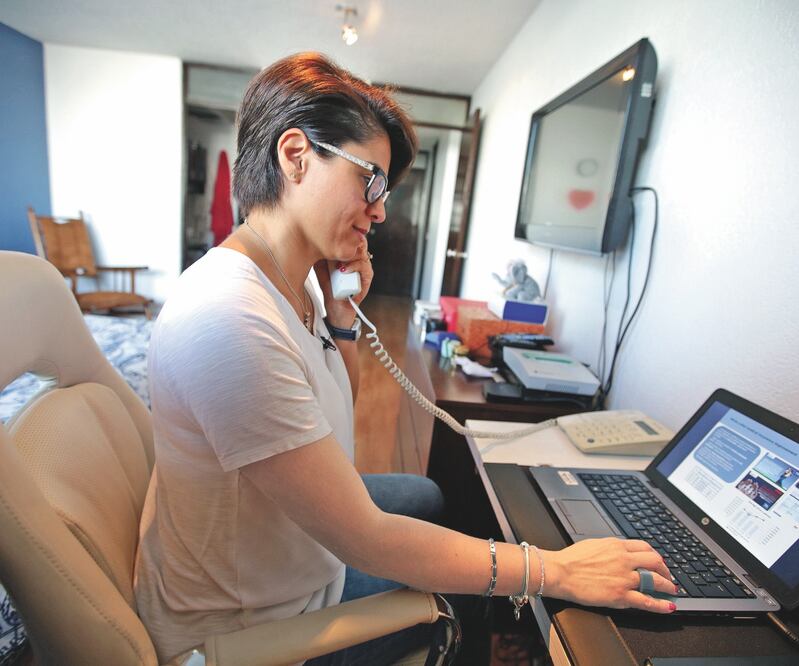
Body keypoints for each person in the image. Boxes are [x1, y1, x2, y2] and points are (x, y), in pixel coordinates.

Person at [133, 52, 677, 664]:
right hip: (248, 627)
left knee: (425, 496)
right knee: (463, 584)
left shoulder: (297, 283)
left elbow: (335, 411)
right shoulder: (229, 317)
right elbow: (365, 538)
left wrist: (342, 316)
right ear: (295, 156)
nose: (381, 209)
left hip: (285, 559)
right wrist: (554, 571)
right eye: (369, 180)